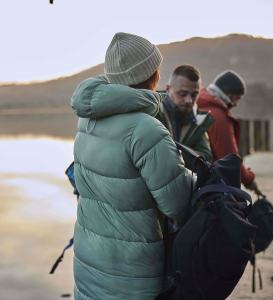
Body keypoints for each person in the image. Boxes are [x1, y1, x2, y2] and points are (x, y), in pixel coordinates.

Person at [71, 32, 194, 300]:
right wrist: (191, 174)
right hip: (131, 272)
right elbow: (177, 204)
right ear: (151, 74)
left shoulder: (88, 121)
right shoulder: (146, 129)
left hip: (89, 261)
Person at [197, 70, 259, 193]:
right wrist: (249, 179)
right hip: (212, 186)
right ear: (227, 94)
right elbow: (230, 159)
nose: (235, 104)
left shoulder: (199, 105)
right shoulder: (219, 117)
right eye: (237, 99)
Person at [155, 65, 214, 168]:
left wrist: (173, 152)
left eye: (194, 95)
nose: (189, 100)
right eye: (182, 94)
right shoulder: (152, 112)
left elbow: (205, 158)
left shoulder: (198, 120)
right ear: (168, 89)